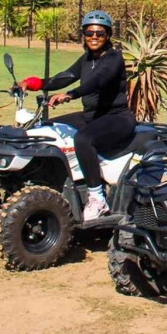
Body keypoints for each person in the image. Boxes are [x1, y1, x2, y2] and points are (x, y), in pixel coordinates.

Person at [21, 11, 134, 221]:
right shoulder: (87, 59)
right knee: (47, 128)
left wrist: (72, 94)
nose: (94, 36)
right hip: (91, 116)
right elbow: (66, 76)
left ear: (108, 35)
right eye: (89, 32)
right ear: (83, 34)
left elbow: (98, 81)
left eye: (99, 33)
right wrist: (33, 83)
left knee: (83, 139)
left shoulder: (114, 58)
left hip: (116, 118)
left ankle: (97, 198)